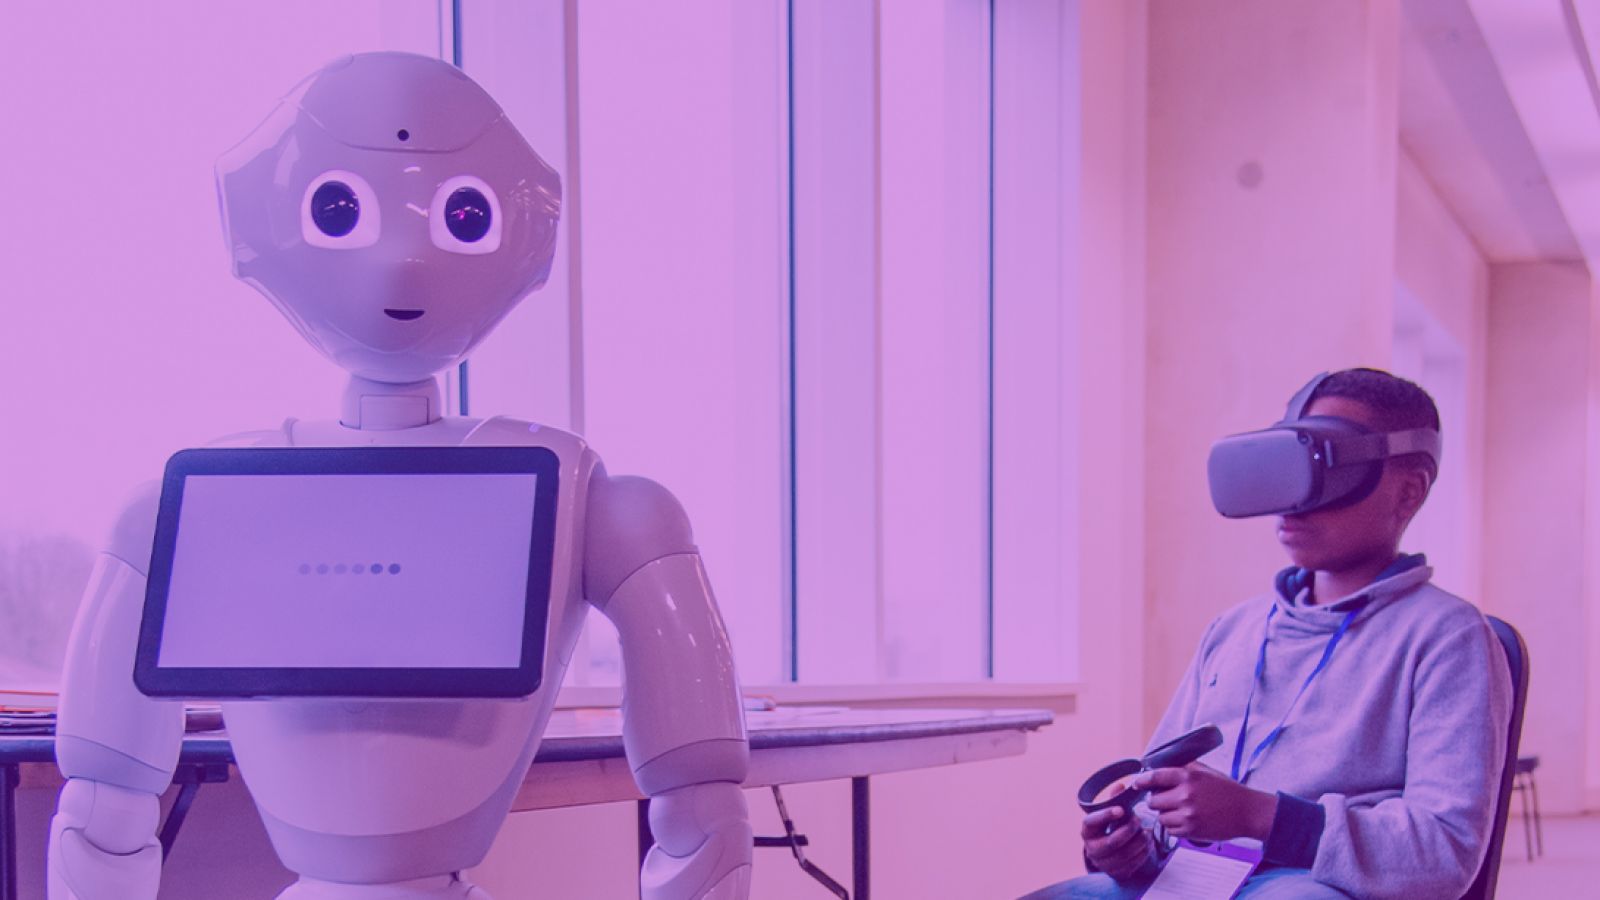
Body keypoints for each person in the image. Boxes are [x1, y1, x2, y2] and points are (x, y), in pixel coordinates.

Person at [1023, 368, 1512, 899]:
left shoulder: (1448, 638)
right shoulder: (1234, 629)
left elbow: (1445, 852)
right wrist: (1129, 844)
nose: (1294, 499)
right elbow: (1157, 798)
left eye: (1323, 466)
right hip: (1192, 879)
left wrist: (1264, 817)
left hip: (1319, 885)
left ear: (1408, 492)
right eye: (1287, 466)